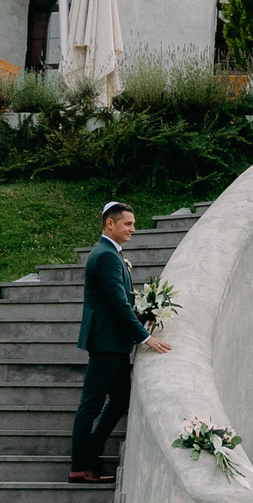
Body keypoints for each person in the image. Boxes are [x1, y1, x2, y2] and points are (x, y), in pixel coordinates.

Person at [69, 200, 169, 482]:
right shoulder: (105, 256)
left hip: (114, 342)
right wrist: (145, 337)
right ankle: (80, 464)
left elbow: (123, 300)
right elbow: (116, 303)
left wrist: (144, 316)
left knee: (121, 398)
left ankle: (90, 454)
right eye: (128, 223)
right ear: (109, 223)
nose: (133, 229)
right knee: (91, 404)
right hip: (106, 343)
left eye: (134, 224)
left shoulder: (111, 254)